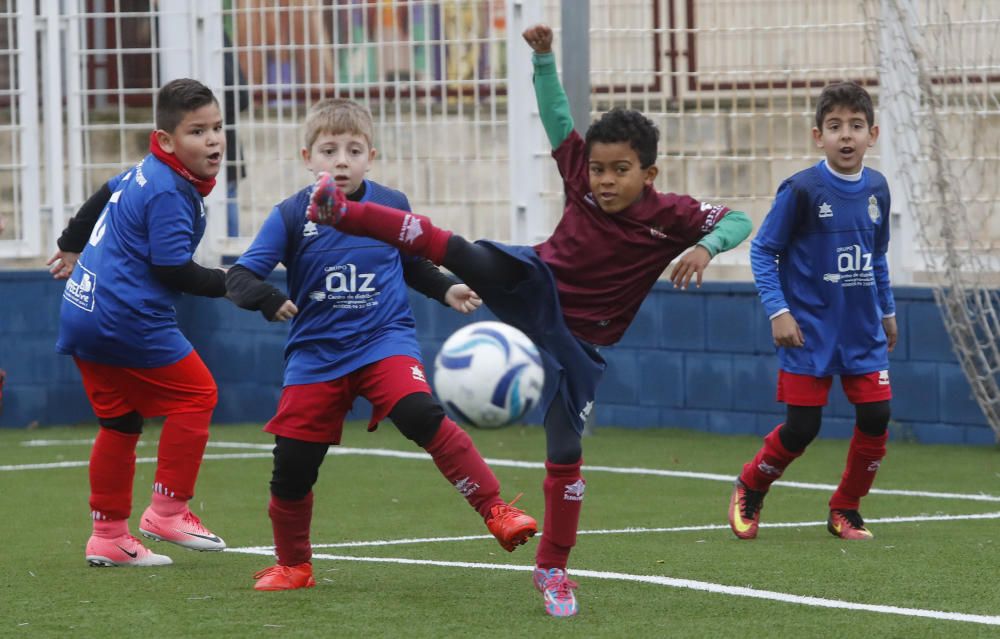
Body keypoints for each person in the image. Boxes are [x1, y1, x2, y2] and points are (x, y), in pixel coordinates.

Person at [306, 26, 753, 617]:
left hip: (581, 342)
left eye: (620, 170)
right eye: (597, 170)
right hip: (534, 283)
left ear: (650, 172)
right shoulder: (581, 180)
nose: (605, 181)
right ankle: (345, 213)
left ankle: (553, 570)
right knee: (459, 250)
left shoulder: (673, 215)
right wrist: (543, 59)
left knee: (566, 453)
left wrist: (705, 246)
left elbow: (741, 218)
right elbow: (557, 118)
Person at [224, 98, 538, 592]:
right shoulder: (290, 215)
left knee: (419, 413)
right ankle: (294, 565)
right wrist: (267, 298)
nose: (341, 161)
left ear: (371, 156)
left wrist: (446, 287)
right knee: (292, 466)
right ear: (308, 157)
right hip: (316, 355)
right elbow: (240, 276)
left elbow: (413, 262)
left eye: (353, 150)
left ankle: (496, 510)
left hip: (382, 340)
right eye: (329, 150)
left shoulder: (390, 205)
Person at [53, 78, 230, 567]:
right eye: (198, 132)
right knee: (198, 394)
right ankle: (168, 512)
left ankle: (108, 536)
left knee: (120, 422)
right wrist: (229, 283)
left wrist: (70, 241)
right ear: (167, 140)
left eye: (218, 128)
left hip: (82, 309)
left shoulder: (145, 171)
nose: (213, 140)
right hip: (124, 316)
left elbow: (102, 193)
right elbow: (172, 267)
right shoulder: (170, 190)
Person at [727, 81, 897, 542]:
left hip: (863, 330)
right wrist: (778, 311)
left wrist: (887, 309)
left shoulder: (878, 188)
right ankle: (752, 484)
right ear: (817, 135)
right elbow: (763, 251)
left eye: (856, 126)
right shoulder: (802, 190)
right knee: (803, 428)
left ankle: (845, 508)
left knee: (877, 416)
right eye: (836, 126)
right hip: (808, 331)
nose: (847, 136)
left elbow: (876, 255)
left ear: (873, 134)